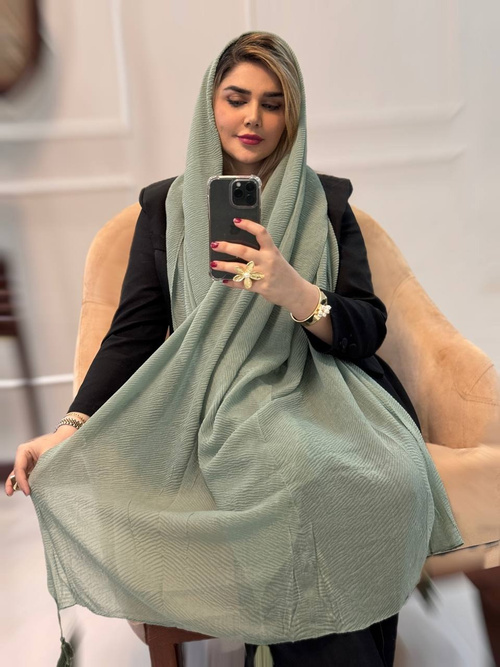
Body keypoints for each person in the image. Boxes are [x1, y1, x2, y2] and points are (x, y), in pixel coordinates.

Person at [5, 31, 463, 667]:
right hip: (211, 402)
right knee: (291, 471)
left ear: (292, 115)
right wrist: (70, 427)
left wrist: (295, 291)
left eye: (273, 104)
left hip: (322, 389)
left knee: (373, 474)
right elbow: (134, 332)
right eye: (237, 98)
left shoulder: (327, 202)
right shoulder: (165, 208)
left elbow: (367, 327)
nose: (253, 118)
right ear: (210, 104)